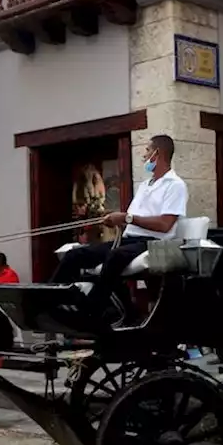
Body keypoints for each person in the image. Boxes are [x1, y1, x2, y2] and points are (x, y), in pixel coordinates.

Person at [52, 135, 188, 315]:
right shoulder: (146, 185)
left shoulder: (175, 185)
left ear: (158, 153)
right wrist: (115, 220)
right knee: (74, 255)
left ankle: (92, 308)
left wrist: (126, 218)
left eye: (147, 150)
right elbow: (129, 220)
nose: (144, 156)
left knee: (115, 256)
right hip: (129, 240)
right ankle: (50, 300)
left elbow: (165, 224)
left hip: (153, 243)